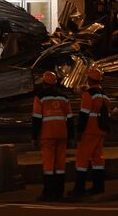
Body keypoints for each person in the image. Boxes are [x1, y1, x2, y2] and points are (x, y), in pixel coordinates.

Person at [69, 66, 110, 198]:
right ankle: (99, 187)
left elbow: (84, 114)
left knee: (82, 158)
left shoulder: (88, 95)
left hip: (89, 130)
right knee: (98, 158)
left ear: (89, 79)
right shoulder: (105, 96)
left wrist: (79, 131)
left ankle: (79, 188)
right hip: (101, 130)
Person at [32, 71, 74, 201]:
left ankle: (48, 193)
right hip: (62, 134)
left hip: (47, 134)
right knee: (60, 164)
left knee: (49, 164)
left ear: (44, 83)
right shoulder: (64, 97)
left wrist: (34, 137)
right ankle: (59, 192)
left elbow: (37, 118)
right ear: (55, 83)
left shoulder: (39, 97)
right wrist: (71, 136)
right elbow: (70, 118)